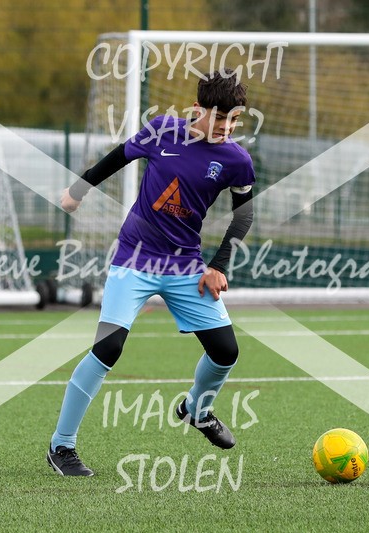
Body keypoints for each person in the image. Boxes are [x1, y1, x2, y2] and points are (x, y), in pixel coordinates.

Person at [47, 69, 255, 476]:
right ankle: (61, 446)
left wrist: (217, 265)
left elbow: (244, 214)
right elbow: (116, 158)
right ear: (198, 110)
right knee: (108, 348)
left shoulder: (237, 160)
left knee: (226, 351)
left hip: (186, 266)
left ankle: (198, 409)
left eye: (234, 120)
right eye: (219, 118)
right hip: (134, 259)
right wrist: (76, 192)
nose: (226, 128)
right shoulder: (161, 131)